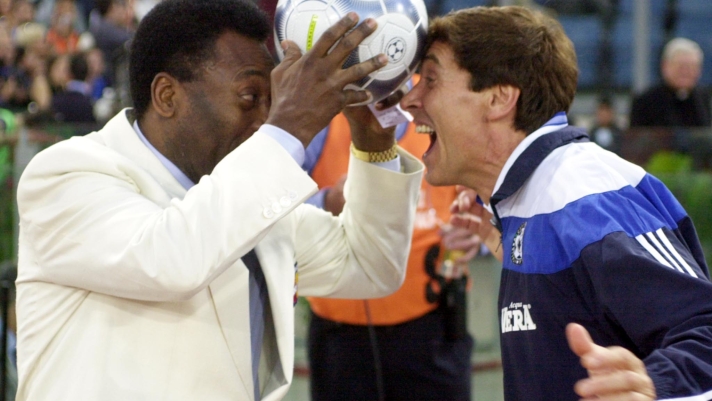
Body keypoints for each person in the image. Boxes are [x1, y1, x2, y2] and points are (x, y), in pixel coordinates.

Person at [15, 0, 424, 400]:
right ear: (167, 96)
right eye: (250, 97)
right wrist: (288, 128)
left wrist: (374, 146)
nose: (266, 117)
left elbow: (371, 266)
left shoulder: (255, 200)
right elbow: (170, 260)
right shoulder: (66, 174)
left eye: (274, 98)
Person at [400, 5, 712, 401]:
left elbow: (704, 330)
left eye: (430, 79)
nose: (410, 99)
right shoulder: (530, 197)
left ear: (498, 98)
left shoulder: (586, 198)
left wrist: (653, 385)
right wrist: (507, 244)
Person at [304, 83, 479, 401]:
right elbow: (270, 205)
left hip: (432, 323)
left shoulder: (440, 98)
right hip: (341, 334)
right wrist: (328, 200)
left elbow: (486, 190)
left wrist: (478, 234)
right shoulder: (322, 108)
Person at [630, 37, 711, 127]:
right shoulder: (645, 101)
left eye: (691, 67)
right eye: (681, 66)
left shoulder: (703, 98)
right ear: (665, 66)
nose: (685, 72)